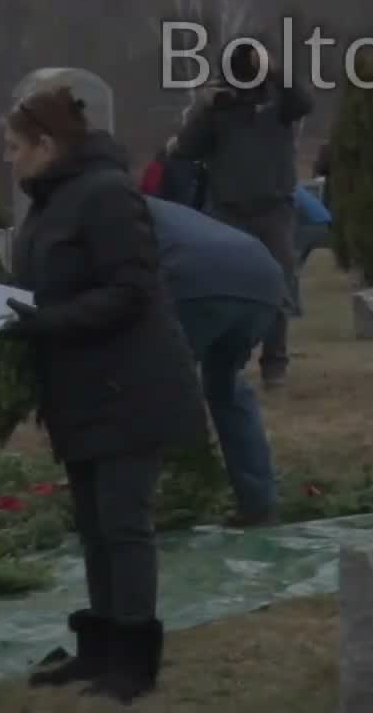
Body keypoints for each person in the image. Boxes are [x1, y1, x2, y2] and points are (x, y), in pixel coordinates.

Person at [0, 82, 208, 700]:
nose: (8, 159)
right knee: (92, 524)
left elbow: (130, 291)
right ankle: (100, 649)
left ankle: (135, 660)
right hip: (78, 387)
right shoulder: (49, 201)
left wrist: (40, 321)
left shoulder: (107, 194)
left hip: (129, 384)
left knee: (123, 522)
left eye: (14, 147)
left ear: (46, 143)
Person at [170, 44, 314, 389]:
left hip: (273, 208)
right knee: (221, 287)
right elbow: (187, 149)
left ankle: (275, 363)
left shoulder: (279, 102)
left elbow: (304, 101)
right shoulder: (219, 110)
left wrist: (272, 69)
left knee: (279, 285)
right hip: (228, 211)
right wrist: (204, 107)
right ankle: (224, 361)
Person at [145, 195, 283, 526]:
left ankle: (169, 500)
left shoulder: (101, 205)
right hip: (262, 277)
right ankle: (259, 504)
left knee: (152, 388)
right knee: (226, 387)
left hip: (194, 281)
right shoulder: (155, 206)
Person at [294, 182, 331, 268]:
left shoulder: (292, 191)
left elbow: (292, 216)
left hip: (318, 225)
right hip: (323, 224)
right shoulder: (294, 188)